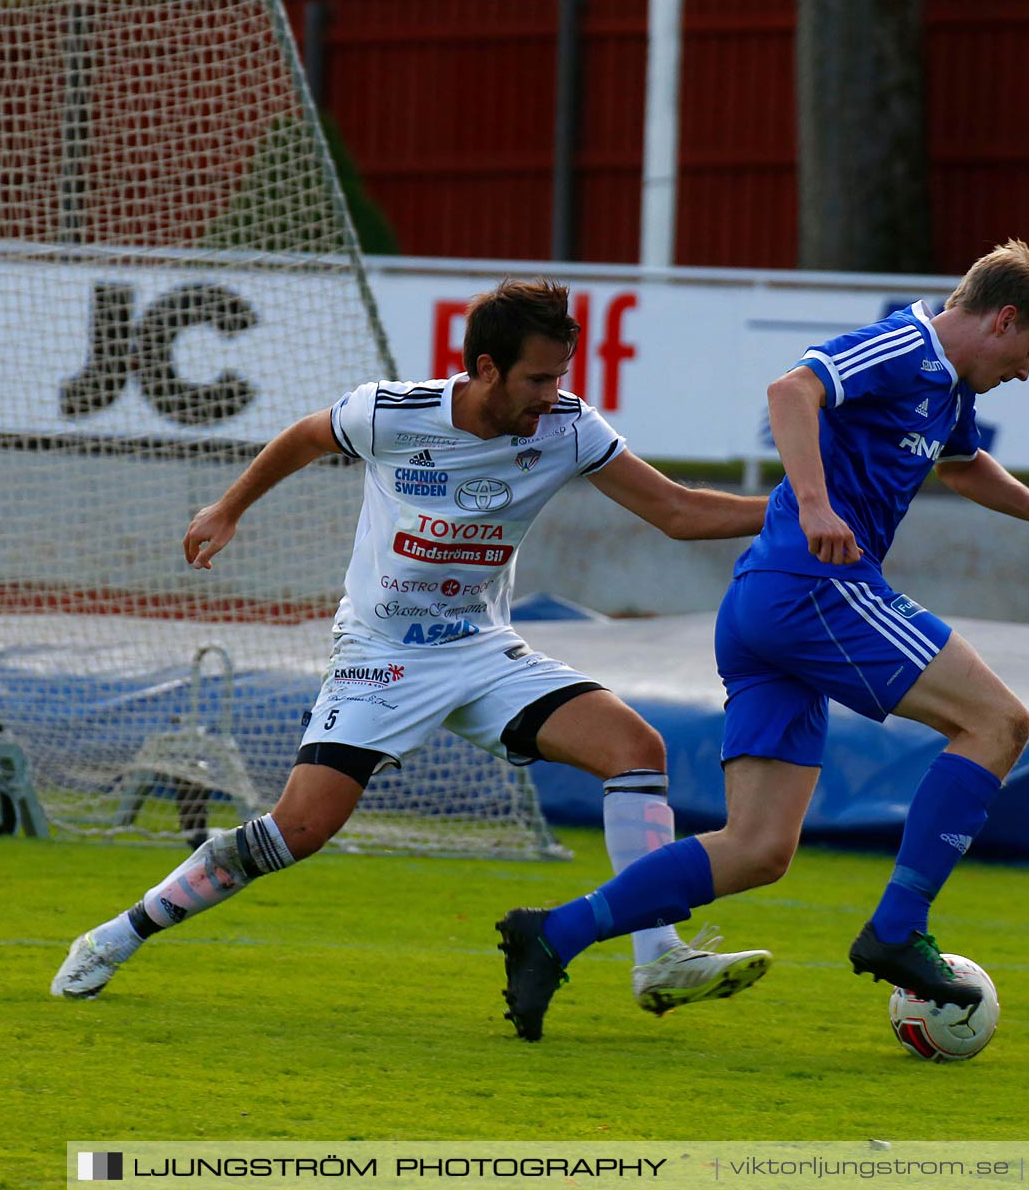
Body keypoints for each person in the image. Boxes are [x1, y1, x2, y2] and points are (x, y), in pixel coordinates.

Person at [52, 278, 773, 1019]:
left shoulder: (568, 428)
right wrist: (227, 508)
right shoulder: (392, 412)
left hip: (483, 649)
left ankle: (656, 960)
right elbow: (306, 436)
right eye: (537, 378)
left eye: (560, 377)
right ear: (485, 369)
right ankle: (117, 935)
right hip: (380, 654)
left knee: (636, 749)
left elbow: (679, 511)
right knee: (298, 830)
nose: (552, 395)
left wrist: (800, 509)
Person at [498, 239, 1029, 1041]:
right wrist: (812, 503)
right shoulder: (905, 343)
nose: (1025, 370)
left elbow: (962, 464)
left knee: (758, 847)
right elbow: (792, 391)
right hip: (815, 588)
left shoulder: (947, 390)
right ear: (1003, 318)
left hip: (767, 609)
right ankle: (898, 929)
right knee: (998, 723)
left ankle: (552, 935)